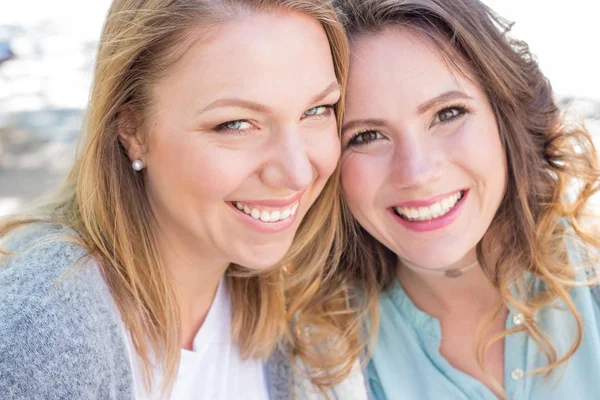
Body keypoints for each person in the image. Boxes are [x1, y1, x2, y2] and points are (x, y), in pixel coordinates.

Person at [0, 1, 370, 398]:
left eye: (317, 110)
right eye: (236, 124)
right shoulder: (40, 329)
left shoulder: (302, 302)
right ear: (132, 130)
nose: (298, 171)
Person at [334, 0, 600, 398]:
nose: (417, 174)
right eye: (367, 136)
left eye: (447, 114)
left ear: (504, 117)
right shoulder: (317, 355)